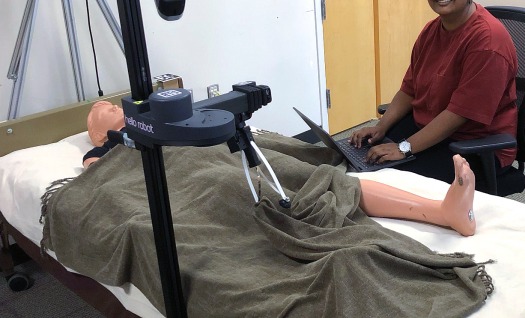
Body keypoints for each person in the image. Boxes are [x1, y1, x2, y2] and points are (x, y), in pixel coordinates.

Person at [83, 101, 477, 236]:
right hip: (205, 173)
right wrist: (112, 150)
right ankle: (440, 213)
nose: (121, 110)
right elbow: (98, 175)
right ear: (100, 134)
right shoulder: (109, 151)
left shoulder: (163, 126)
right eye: (111, 113)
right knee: (252, 191)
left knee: (319, 179)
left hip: (223, 154)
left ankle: (442, 211)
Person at [349, 0, 518, 189]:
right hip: (431, 128)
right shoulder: (432, 30)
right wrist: (381, 127)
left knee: (385, 181)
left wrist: (403, 148)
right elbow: (409, 90)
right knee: (359, 154)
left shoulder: (487, 42)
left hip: (474, 145)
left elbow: (459, 115)